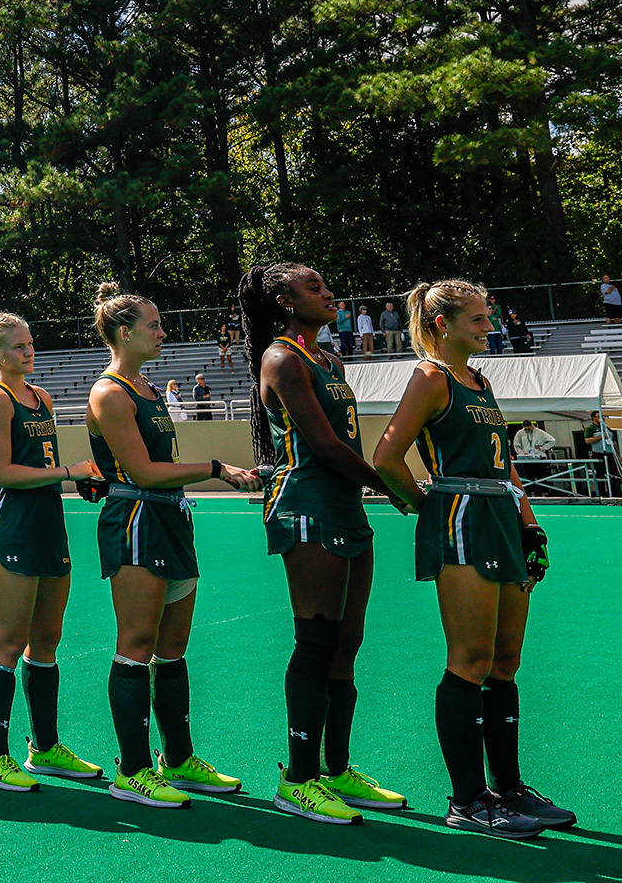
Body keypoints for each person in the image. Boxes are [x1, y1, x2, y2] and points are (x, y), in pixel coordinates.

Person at [373, 279, 573, 838]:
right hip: (462, 520)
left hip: (502, 521)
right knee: (470, 659)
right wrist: (428, 508)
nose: (490, 328)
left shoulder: (479, 380)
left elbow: (505, 464)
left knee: (505, 661)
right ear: (443, 324)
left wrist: (531, 526)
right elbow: (387, 456)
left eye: (489, 318)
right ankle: (468, 800)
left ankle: (508, 789)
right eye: (479, 320)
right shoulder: (430, 377)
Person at [240, 264, 409, 825]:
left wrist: (385, 484)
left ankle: (337, 771)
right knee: (317, 640)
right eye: (315, 286)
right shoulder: (281, 358)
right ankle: (298, 779)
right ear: (284, 301)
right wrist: (397, 487)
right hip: (307, 503)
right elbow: (326, 445)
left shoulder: (330, 360)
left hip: (345, 505)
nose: (329, 291)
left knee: (348, 640)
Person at [85, 283, 261, 807]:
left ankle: (178, 760)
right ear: (125, 332)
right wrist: (216, 469)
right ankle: (133, 771)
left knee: (173, 648)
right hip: (136, 517)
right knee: (136, 647)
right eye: (155, 325)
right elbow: (140, 470)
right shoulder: (110, 392)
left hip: (170, 518)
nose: (163, 332)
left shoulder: (149, 388)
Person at [0, 307, 103, 792]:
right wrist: (69, 473)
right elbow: (2, 473)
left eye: (30, 343)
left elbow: (41, 464)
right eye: (19, 346)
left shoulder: (41, 396)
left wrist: (78, 483)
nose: (29, 351)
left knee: (46, 640)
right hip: (15, 525)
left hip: (49, 521)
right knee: (8, 639)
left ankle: (44, 748)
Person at [585, 411, 619, 497]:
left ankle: (614, 494)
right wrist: (601, 437)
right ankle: (601, 494)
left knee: (612, 475)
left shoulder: (607, 428)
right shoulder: (590, 429)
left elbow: (614, 442)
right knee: (600, 475)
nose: (601, 419)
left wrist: (617, 456)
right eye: (598, 417)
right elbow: (588, 440)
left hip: (610, 454)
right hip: (599, 454)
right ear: (594, 418)